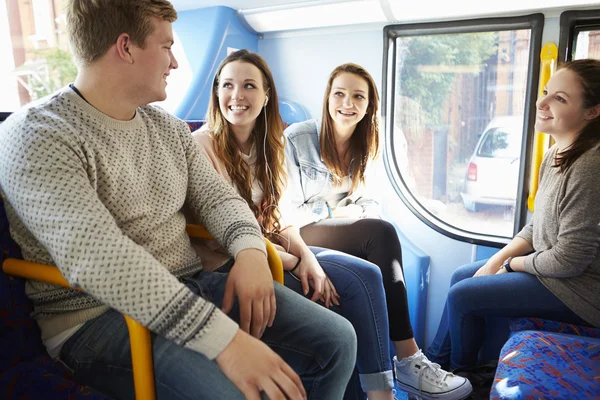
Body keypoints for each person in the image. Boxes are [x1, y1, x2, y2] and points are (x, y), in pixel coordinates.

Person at [0, 1, 358, 399]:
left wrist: (251, 254)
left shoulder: (166, 128)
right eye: (167, 46)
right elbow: (98, 259)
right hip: (96, 319)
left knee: (337, 340)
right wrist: (226, 342)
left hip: (189, 285)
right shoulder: (37, 135)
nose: (173, 62)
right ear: (126, 47)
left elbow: (222, 201)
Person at [193, 49, 396, 400]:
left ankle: (381, 395)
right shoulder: (201, 146)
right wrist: (293, 261)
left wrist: (308, 257)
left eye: (248, 86)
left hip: (277, 248)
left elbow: (278, 218)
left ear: (266, 94)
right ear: (216, 93)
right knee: (336, 306)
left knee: (367, 277)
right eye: (227, 85)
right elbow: (219, 231)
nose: (237, 95)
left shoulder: (269, 147)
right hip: (233, 262)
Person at [281, 63, 472, 400]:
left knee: (380, 235)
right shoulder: (298, 138)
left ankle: (401, 365)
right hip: (297, 232)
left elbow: (370, 203)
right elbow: (287, 210)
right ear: (328, 98)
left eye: (358, 96)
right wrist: (334, 212)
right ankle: (409, 359)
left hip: (334, 227)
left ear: (369, 105)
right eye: (340, 94)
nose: (347, 103)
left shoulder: (367, 142)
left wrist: (350, 213)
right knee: (381, 234)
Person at [426, 59, 600, 372]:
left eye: (559, 98)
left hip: (579, 291)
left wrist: (508, 265)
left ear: (593, 111)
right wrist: (499, 259)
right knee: (460, 278)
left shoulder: (590, 165)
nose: (541, 102)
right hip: (554, 274)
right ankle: (436, 369)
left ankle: (458, 381)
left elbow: (569, 260)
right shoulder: (555, 153)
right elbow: (539, 226)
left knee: (464, 297)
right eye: (546, 92)